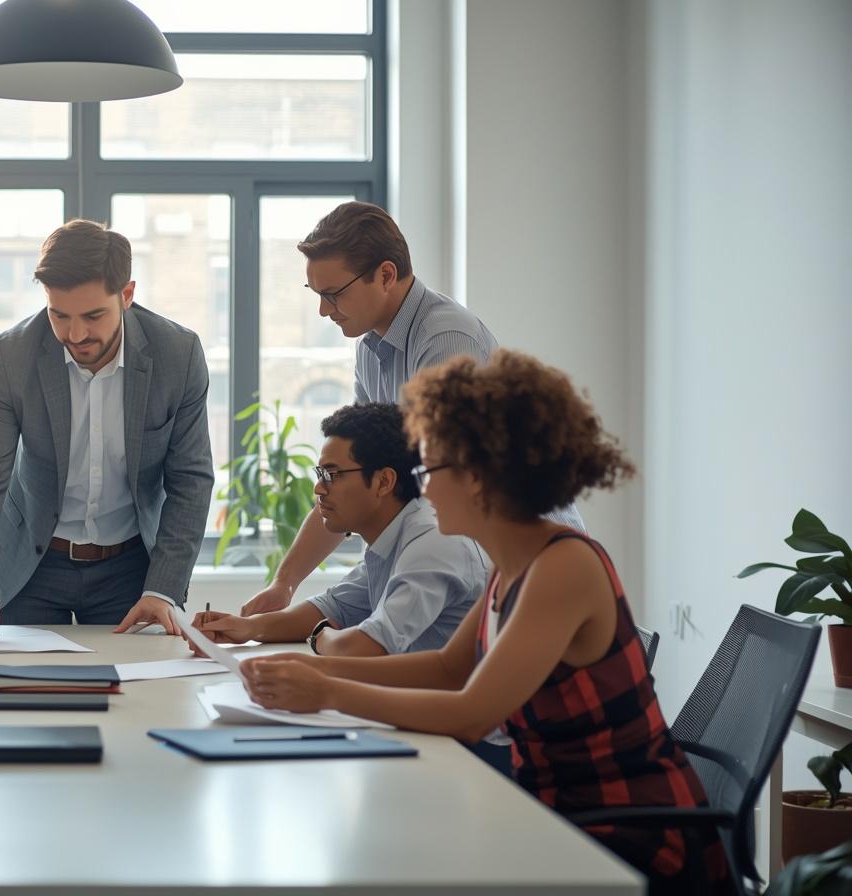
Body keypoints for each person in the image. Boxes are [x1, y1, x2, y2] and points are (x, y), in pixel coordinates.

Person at [239, 350, 727, 893]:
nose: (420, 487)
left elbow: (471, 714)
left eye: (431, 469)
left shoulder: (563, 566)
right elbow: (451, 668)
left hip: (624, 842)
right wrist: (321, 675)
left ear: (480, 476)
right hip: (554, 814)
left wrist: (327, 692)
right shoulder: (512, 563)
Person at [242, 201, 582, 615]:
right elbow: (354, 479)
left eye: (333, 294)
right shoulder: (371, 350)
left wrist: (322, 619)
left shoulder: (447, 341)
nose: (323, 310)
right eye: (316, 294)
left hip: (526, 570)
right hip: (474, 566)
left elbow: (429, 502)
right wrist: (285, 583)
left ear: (385, 275)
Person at [0, 220, 214, 641]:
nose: (75, 334)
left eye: (93, 316)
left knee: (139, 698)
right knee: (8, 695)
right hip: (29, 565)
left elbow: (191, 482)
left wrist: (163, 588)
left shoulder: (177, 355)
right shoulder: (11, 355)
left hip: (131, 569)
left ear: (127, 295)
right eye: (59, 315)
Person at [190, 403, 486, 660]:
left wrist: (320, 635)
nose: (318, 489)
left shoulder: (431, 543)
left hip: (454, 720)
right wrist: (247, 628)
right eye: (320, 475)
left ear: (384, 482)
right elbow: (333, 607)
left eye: (332, 475)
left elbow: (365, 646)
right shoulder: (391, 540)